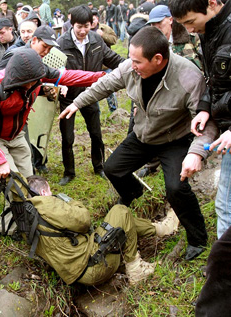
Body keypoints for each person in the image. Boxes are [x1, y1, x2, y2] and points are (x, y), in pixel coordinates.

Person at [59, 26, 217, 261]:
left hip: (175, 139)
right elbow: (105, 85)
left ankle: (197, 239)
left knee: (176, 187)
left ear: (157, 59)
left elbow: (207, 122)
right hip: (144, 133)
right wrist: (77, 103)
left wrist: (196, 153)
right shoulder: (130, 68)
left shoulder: (188, 77)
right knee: (113, 168)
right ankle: (134, 193)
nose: (131, 65)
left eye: (137, 61)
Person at [0, 48, 104, 180]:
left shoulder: (38, 72)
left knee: (30, 180)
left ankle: (29, 199)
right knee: (15, 183)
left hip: (17, 135)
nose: (30, 85)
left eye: (34, 81)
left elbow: (67, 76)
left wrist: (102, 77)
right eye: (25, 82)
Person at [26, 175, 179, 286]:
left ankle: (163, 229)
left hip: (76, 270)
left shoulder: (29, 216)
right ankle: (135, 268)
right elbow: (85, 221)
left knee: (119, 220)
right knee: (120, 210)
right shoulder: (49, 207)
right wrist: (70, 202)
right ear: (44, 193)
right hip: (94, 266)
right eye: (50, 191)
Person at [168, 0, 231, 239]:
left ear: (212, 3)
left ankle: (223, 271)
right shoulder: (211, 31)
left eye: (191, 22)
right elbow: (216, 79)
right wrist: (205, 107)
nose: (190, 30)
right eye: (184, 25)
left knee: (226, 207)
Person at [57, 5, 124, 186]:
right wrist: (60, 84)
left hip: (90, 94)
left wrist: (129, 65)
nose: (83, 31)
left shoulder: (95, 40)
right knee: (67, 137)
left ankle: (99, 166)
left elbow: (111, 58)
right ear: (72, 24)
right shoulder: (62, 43)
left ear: (91, 24)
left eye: (86, 26)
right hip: (68, 97)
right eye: (79, 26)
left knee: (96, 133)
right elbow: (55, 69)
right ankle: (69, 172)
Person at [136, 4, 203, 178]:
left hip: (186, 92)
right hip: (157, 92)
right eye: (152, 24)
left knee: (184, 130)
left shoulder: (190, 36)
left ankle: (186, 161)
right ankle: (151, 163)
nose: (155, 27)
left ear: (170, 20)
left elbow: (202, 65)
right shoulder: (151, 43)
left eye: (159, 23)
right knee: (142, 126)